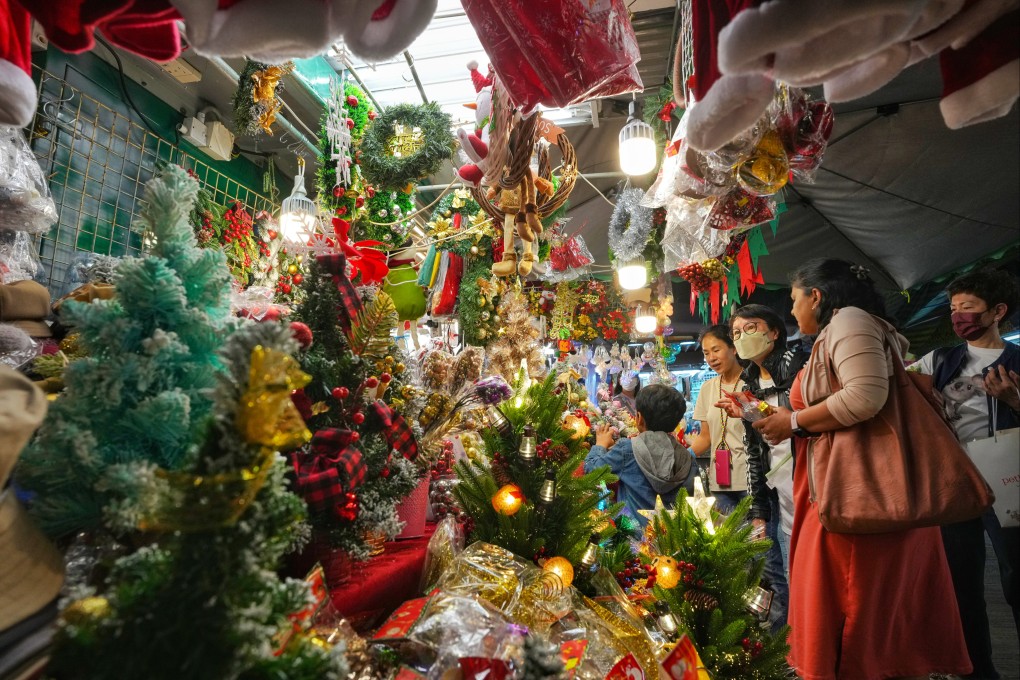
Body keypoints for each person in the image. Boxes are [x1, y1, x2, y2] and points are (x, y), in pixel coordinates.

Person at [749, 258, 970, 679]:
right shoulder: (849, 327)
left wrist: (793, 421)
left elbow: (866, 397)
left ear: (816, 296)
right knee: (861, 617)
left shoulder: (850, 321)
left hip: (858, 490)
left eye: (795, 300)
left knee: (855, 615)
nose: (793, 312)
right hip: (846, 486)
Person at [911, 268, 1020, 680]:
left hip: (1008, 480)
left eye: (968, 308)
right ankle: (979, 671)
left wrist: (1014, 399)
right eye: (954, 308)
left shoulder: (1016, 361)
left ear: (997, 311)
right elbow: (898, 386)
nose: (958, 317)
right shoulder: (939, 359)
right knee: (961, 585)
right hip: (953, 481)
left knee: (1016, 576)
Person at [727, 303, 807, 633]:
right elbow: (756, 449)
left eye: (751, 328)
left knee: (799, 573)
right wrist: (757, 509)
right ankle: (787, 648)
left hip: (808, 485)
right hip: (777, 492)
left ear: (774, 332)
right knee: (778, 573)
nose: (743, 337)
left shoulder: (799, 367)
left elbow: (802, 422)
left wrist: (752, 413)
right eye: (736, 333)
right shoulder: (747, 385)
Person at [586, 383, 698, 527]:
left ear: (638, 418)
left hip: (633, 542)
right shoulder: (686, 457)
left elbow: (592, 472)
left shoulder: (627, 449)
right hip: (673, 541)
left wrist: (600, 445)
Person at [688, 325, 749, 513]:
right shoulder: (707, 388)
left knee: (760, 540)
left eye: (716, 350)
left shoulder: (752, 383)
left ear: (734, 348)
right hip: (720, 481)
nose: (711, 358)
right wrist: (683, 456)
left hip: (752, 479)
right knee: (726, 540)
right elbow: (705, 437)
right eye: (706, 353)